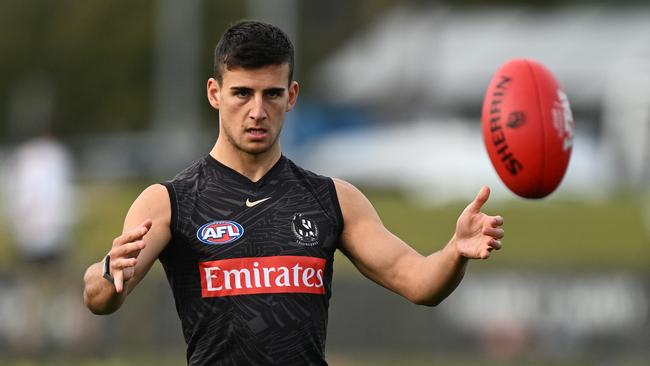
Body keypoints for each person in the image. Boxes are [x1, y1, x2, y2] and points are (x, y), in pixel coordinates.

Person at [83, 20, 504, 365]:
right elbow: (100, 298)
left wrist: (454, 253)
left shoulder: (333, 199)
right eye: (242, 93)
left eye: (272, 94)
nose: (257, 111)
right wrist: (107, 270)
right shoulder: (170, 200)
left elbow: (419, 283)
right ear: (215, 94)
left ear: (292, 96)